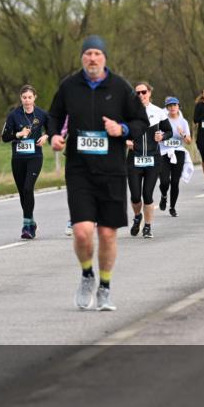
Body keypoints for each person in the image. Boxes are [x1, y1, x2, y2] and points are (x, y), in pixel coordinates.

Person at [48, 35, 148, 312]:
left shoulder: (120, 87)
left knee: (106, 233)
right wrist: (54, 135)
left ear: (104, 58)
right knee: (82, 233)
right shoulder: (69, 86)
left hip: (112, 170)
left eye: (97, 54)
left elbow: (141, 121)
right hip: (79, 170)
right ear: (82, 57)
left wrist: (122, 129)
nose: (92, 58)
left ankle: (104, 286)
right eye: (88, 53)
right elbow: (54, 115)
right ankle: (86, 275)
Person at [1, 84, 49, 239]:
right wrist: (18, 134)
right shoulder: (13, 115)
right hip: (18, 158)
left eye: (30, 97)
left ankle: (27, 226)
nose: (27, 100)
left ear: (34, 98)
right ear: (20, 99)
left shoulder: (42, 114)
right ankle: (31, 221)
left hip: (35, 157)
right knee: (23, 192)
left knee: (28, 188)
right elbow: (4, 137)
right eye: (24, 98)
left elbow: (53, 128)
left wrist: (46, 136)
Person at [126, 82, 171, 239]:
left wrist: (162, 136)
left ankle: (148, 226)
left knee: (147, 195)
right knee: (135, 196)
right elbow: (121, 132)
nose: (141, 95)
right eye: (137, 93)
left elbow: (169, 131)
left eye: (143, 92)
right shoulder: (129, 112)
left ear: (149, 93)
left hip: (153, 159)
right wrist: (126, 140)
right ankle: (137, 216)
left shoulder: (158, 112)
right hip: (134, 159)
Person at [158, 97, 192, 217]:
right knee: (164, 181)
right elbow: (156, 135)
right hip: (164, 152)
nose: (172, 107)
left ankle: (172, 207)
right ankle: (163, 196)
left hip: (178, 152)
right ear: (167, 108)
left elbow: (189, 141)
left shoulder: (183, 122)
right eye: (170, 106)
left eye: (174, 105)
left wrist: (183, 134)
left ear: (178, 107)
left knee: (175, 181)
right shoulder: (162, 120)